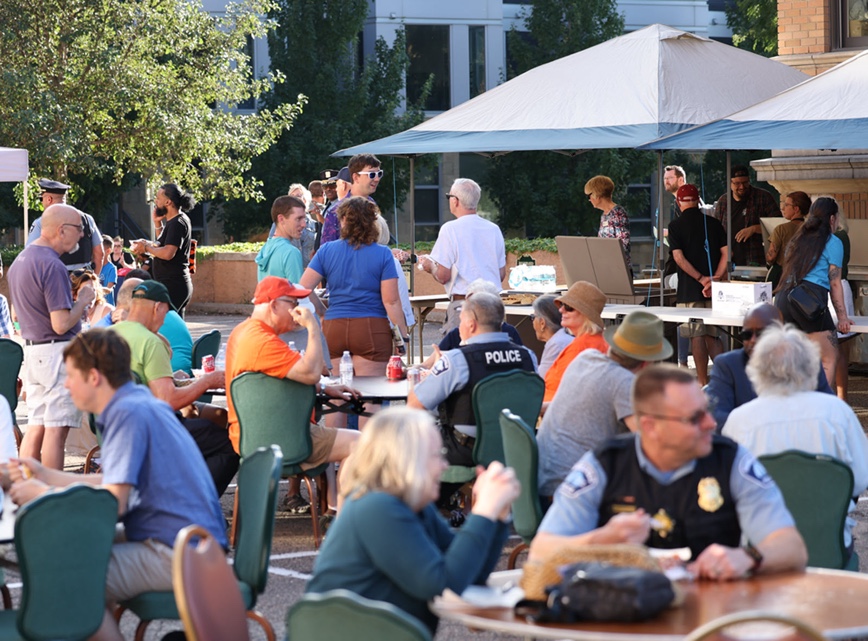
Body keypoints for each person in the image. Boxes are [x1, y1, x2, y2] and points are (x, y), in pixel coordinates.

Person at [8, 329, 226, 641]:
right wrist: (45, 474)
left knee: (71, 577)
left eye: (71, 376)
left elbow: (114, 503)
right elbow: (115, 483)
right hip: (193, 544)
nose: (66, 384)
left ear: (94, 376)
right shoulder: (135, 402)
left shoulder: (126, 413)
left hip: (182, 552)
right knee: (86, 551)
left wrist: (41, 494)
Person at [529, 364, 808, 580]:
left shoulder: (730, 459)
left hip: (708, 619)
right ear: (650, 426)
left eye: (707, 410)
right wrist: (600, 540)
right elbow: (540, 552)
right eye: (694, 418)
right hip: (624, 620)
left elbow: (792, 548)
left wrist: (749, 557)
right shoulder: (605, 464)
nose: (712, 423)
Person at [305, 406, 519, 635]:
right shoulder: (377, 507)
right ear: (408, 460)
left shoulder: (413, 506)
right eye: (436, 455)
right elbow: (442, 581)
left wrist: (497, 517)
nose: (444, 465)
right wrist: (483, 512)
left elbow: (469, 575)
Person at [722, 323, 868, 561]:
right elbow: (859, 479)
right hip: (828, 547)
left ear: (757, 369)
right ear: (811, 367)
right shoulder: (837, 413)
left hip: (761, 553)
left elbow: (728, 487)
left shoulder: (739, 420)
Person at [225, 277, 360, 511]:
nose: (298, 309)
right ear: (274, 305)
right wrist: (313, 327)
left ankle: (335, 508)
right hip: (280, 439)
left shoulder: (244, 331)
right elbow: (311, 373)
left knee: (329, 434)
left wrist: (326, 389)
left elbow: (278, 380)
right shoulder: (261, 340)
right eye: (293, 302)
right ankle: (343, 521)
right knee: (363, 443)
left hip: (251, 437)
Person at [109, 280, 237, 495]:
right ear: (157, 307)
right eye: (165, 313)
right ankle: (195, 506)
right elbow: (168, 400)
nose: (163, 321)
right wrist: (207, 381)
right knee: (229, 445)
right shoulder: (150, 342)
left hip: (117, 428)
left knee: (206, 427)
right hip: (153, 430)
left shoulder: (110, 334)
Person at [537, 311, 671, 497]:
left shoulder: (586, 358)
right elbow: (649, 444)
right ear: (648, 362)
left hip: (544, 478)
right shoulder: (623, 383)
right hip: (570, 490)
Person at [299, 197, 409, 411]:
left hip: (334, 326)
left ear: (342, 222)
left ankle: (339, 443)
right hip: (371, 327)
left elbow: (302, 288)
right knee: (371, 400)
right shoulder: (383, 254)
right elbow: (391, 301)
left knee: (336, 400)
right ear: (372, 223)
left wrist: (322, 311)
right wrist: (402, 336)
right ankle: (367, 444)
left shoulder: (326, 251)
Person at [408, 292, 537, 469]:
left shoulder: (457, 360)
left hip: (466, 452)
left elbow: (414, 405)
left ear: (471, 324)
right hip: (516, 450)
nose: (459, 326)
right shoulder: (528, 357)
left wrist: (431, 373)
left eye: (460, 321)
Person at [8, 204, 93, 469]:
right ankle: (53, 496)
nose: (81, 235)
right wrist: (84, 300)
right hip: (56, 352)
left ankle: (28, 491)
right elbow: (61, 323)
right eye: (79, 229)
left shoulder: (21, 259)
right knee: (57, 431)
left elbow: (16, 316)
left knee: (37, 424)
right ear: (61, 230)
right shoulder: (52, 265)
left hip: (34, 350)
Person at [706, 303, 832, 428]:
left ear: (781, 333)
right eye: (747, 335)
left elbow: (828, 407)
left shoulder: (807, 361)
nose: (753, 340)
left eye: (762, 334)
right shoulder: (727, 365)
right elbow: (716, 415)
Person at [774, 197, 852, 387]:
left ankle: (790, 407)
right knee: (829, 357)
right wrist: (842, 317)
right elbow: (835, 283)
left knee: (794, 360)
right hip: (808, 302)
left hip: (783, 298)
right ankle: (816, 407)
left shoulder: (798, 238)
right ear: (832, 219)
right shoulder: (833, 241)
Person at [418, 178, 506, 334]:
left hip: (464, 305)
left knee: (459, 352)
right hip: (493, 305)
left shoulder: (450, 229)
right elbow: (500, 274)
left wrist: (430, 267)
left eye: (449, 197)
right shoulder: (494, 229)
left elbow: (443, 276)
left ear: (455, 201)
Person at [256, 194, 330, 363]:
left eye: (304, 218)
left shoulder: (266, 248)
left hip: (271, 325)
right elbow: (301, 292)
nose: (304, 224)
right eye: (298, 219)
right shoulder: (290, 252)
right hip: (292, 328)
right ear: (281, 219)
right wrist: (322, 312)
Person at [668, 183, 728, 385]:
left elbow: (678, 258)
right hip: (714, 290)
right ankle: (724, 383)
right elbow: (727, 254)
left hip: (688, 289)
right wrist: (715, 279)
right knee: (713, 336)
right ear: (698, 200)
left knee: (696, 336)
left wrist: (701, 279)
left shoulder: (675, 226)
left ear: (679, 202)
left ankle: (703, 383)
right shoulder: (714, 223)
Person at [131, 183, 194, 317]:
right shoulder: (173, 222)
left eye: (158, 198)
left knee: (164, 326)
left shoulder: (177, 223)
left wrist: (146, 248)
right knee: (173, 328)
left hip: (174, 285)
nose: (156, 201)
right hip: (172, 284)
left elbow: (167, 253)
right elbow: (161, 245)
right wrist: (157, 224)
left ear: (168, 201)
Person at [542, 281, 608, 404]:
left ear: (585, 314)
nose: (561, 310)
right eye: (562, 305)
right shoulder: (601, 341)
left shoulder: (581, 346)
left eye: (568, 307)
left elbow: (563, 394)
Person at [26, 179, 105, 272]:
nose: (42, 203)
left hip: (57, 278)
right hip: (85, 278)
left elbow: (30, 256)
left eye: (41, 199)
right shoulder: (87, 219)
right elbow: (99, 253)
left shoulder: (41, 222)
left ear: (49, 199)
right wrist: (93, 279)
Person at [712, 165, 780, 267]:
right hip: (729, 262)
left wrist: (754, 229)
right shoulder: (723, 201)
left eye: (745, 182)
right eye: (737, 183)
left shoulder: (764, 197)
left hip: (756, 260)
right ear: (730, 183)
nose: (742, 187)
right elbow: (716, 231)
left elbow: (779, 227)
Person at [662, 165, 692, 368]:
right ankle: (680, 360)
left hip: (685, 269)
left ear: (681, 179)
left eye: (669, 178)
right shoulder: (672, 203)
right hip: (679, 265)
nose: (666, 182)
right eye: (664, 179)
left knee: (684, 314)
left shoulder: (688, 202)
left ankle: (681, 361)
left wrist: (670, 235)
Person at [586, 175, 631, 272]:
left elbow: (623, 244)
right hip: (606, 267)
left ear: (596, 195)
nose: (589, 199)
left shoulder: (618, 213)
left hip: (619, 270)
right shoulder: (604, 215)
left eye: (589, 196)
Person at [766, 192, 810, 290]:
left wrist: (768, 260)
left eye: (786, 205)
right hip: (805, 278)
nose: (782, 208)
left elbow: (771, 257)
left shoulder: (781, 229)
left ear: (796, 209)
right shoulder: (812, 230)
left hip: (781, 278)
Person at [531, 295, 573, 378]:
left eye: (532, 317)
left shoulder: (556, 344)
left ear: (542, 323)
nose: (532, 322)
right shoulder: (562, 338)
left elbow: (541, 380)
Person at [98, 235, 117, 306]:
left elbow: (109, 289)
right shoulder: (91, 266)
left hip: (106, 307)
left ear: (108, 251)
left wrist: (95, 289)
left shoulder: (111, 268)